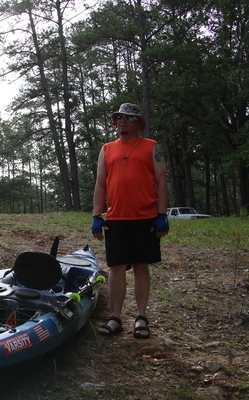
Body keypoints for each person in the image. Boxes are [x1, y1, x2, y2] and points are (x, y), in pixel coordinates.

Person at [91, 103, 169, 339]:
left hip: (145, 217)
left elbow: (162, 181)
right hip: (116, 218)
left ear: (138, 123)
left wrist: (162, 214)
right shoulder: (107, 149)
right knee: (116, 268)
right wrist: (96, 215)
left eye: (128, 117)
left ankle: (141, 318)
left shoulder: (152, 147)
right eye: (118, 117)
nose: (122, 121)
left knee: (141, 266)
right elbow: (100, 183)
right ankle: (115, 317)